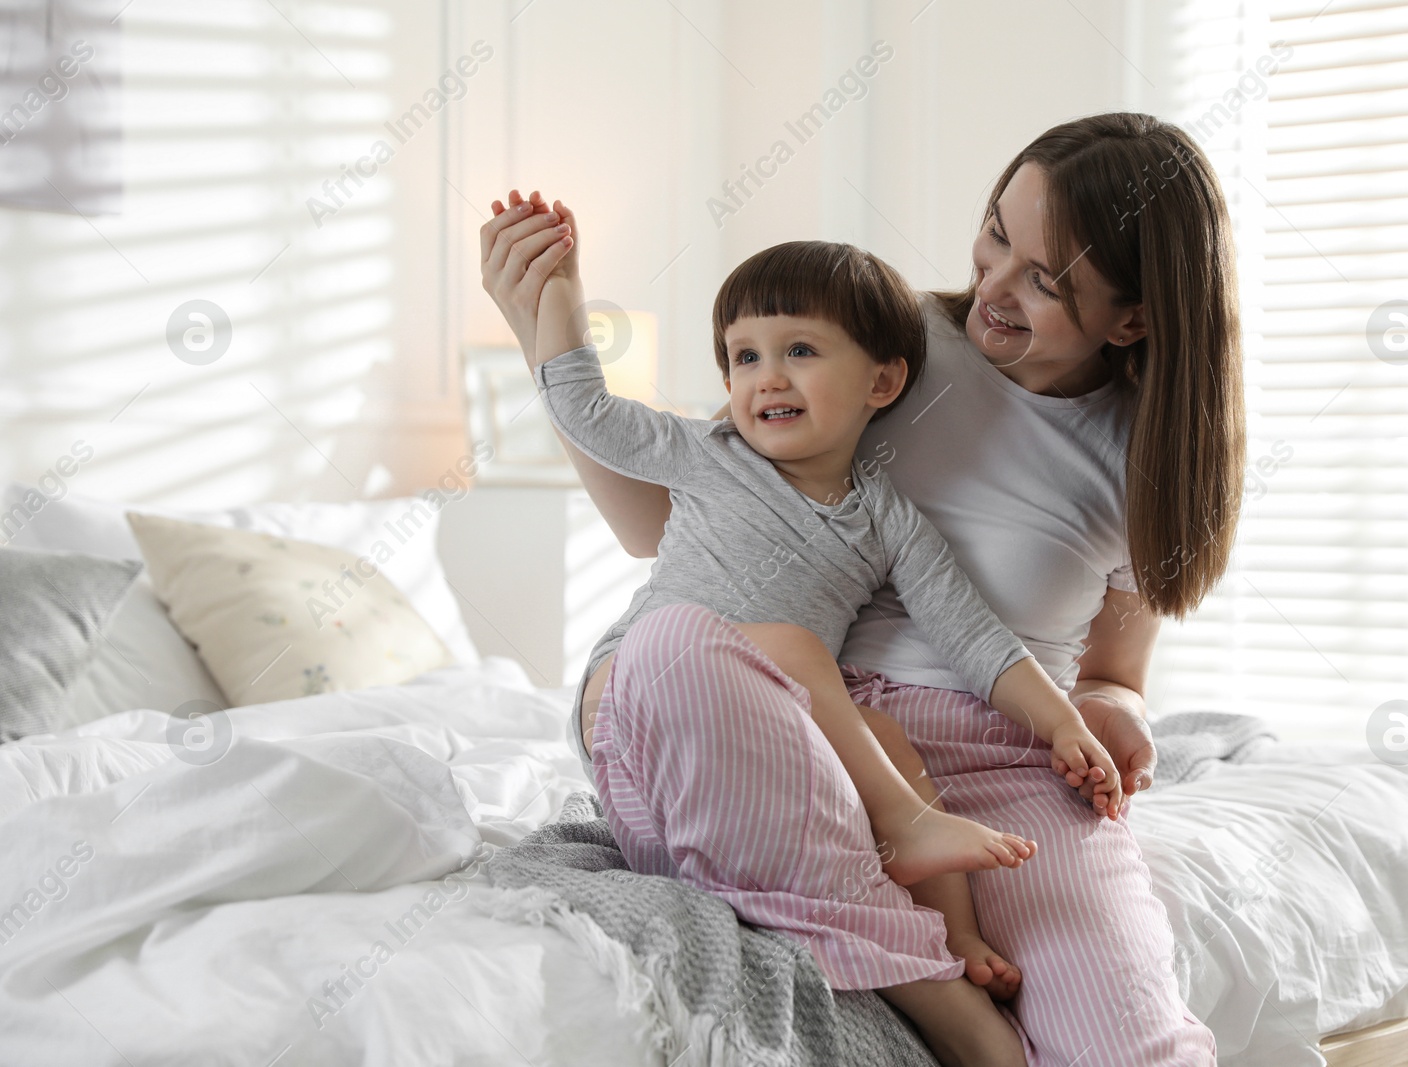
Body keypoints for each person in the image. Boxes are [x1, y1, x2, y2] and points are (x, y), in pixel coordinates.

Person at [480, 113, 1241, 1066]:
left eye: (1045, 282)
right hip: (777, 715)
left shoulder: (1150, 454)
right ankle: (933, 976)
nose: (994, 288)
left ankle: (906, 886)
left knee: (1132, 1046)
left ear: (1132, 318)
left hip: (1000, 756)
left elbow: (1114, 670)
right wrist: (543, 336)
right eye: (997, 235)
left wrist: (1109, 709)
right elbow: (662, 524)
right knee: (677, 644)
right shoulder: (886, 341)